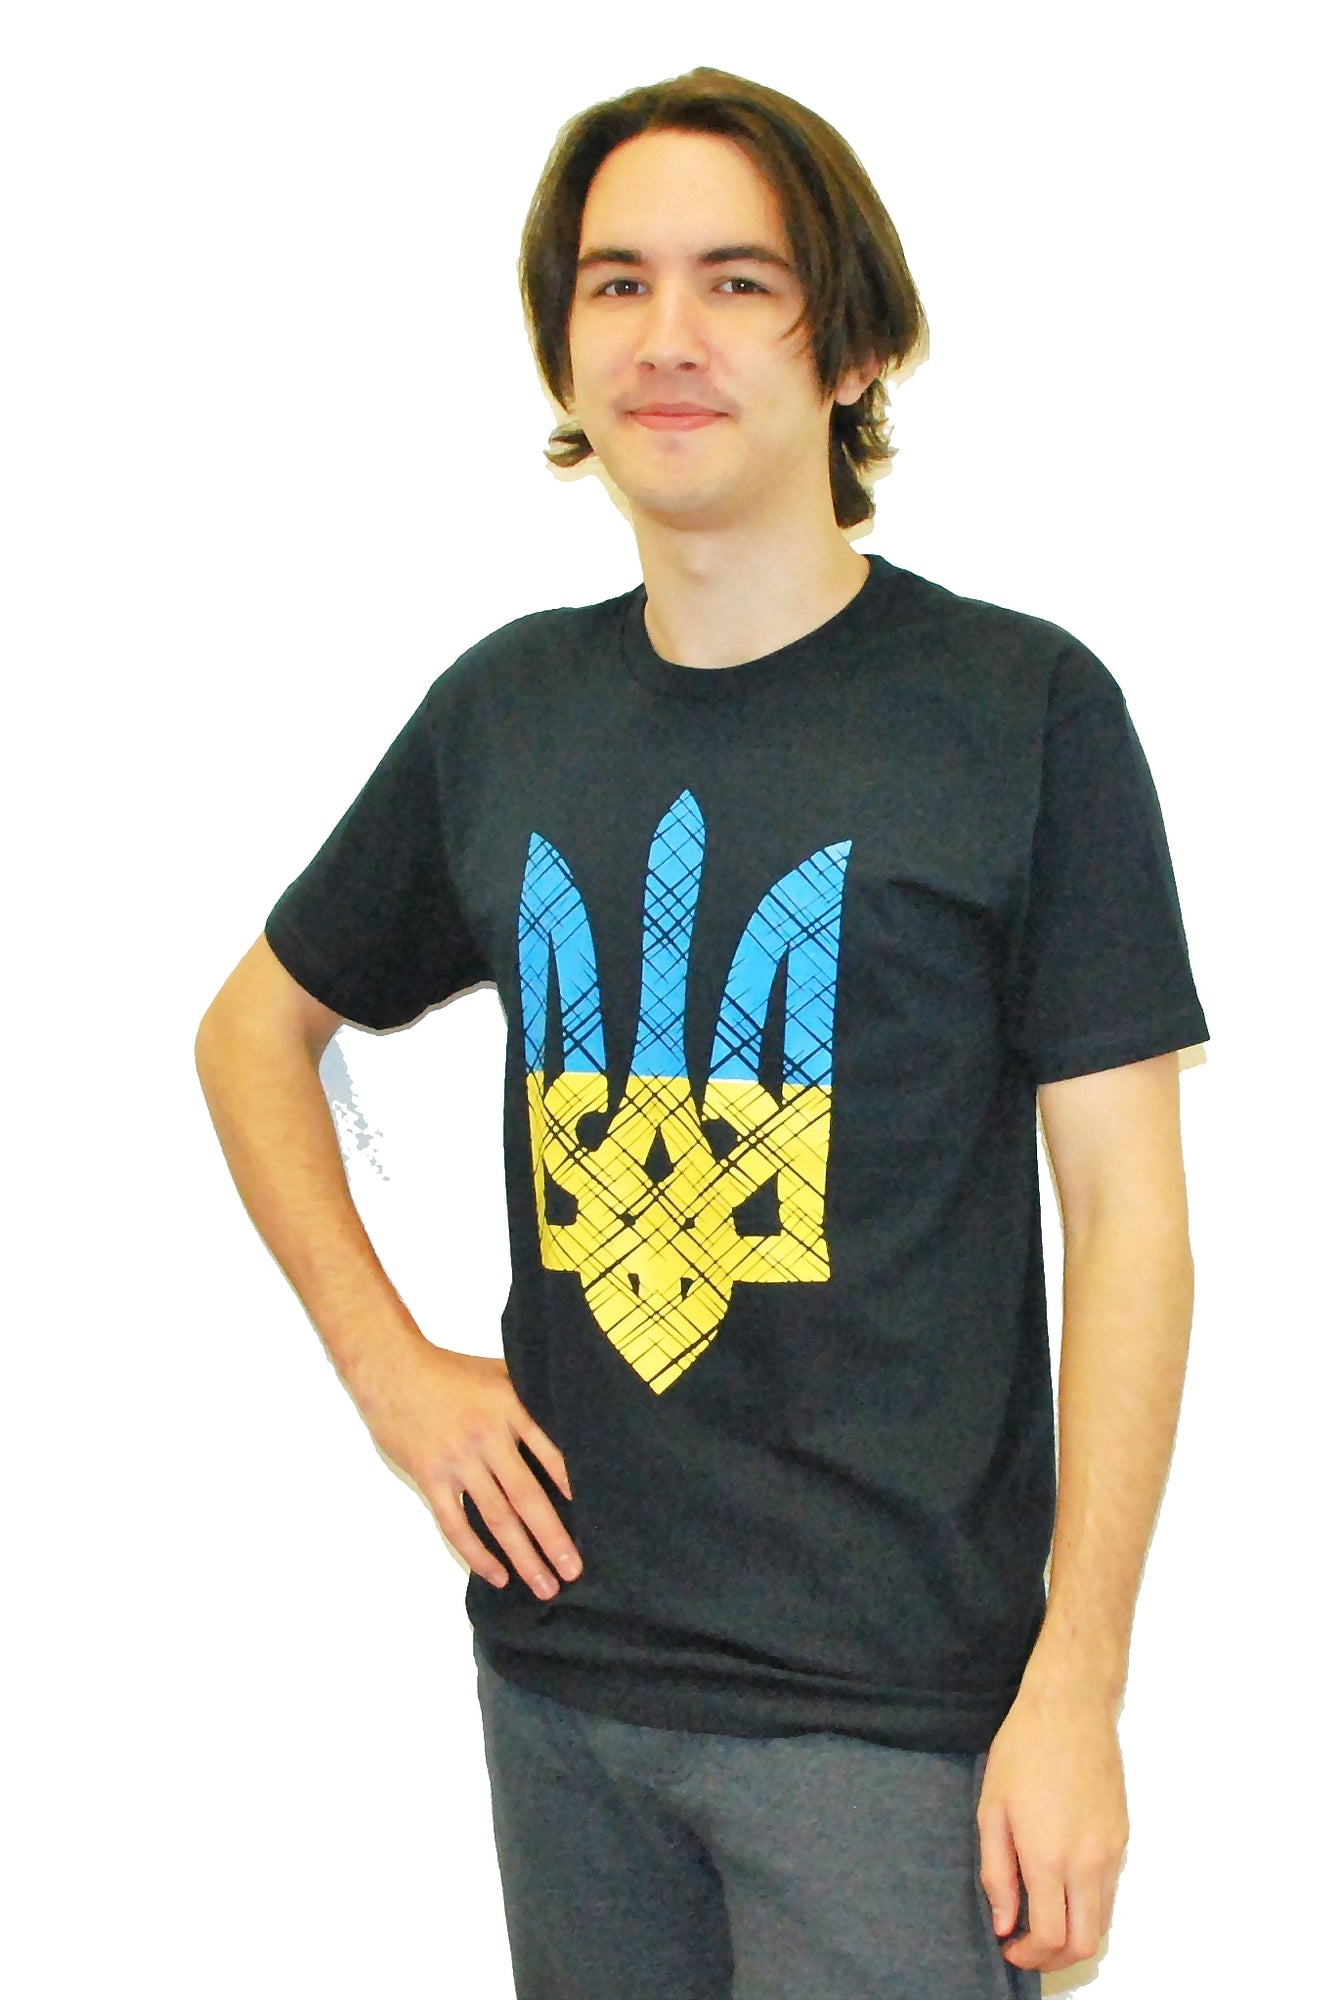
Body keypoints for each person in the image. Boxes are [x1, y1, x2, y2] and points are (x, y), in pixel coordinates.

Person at [195, 65, 1209, 2000]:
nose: (668, 336)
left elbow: (1130, 1221)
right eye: (617, 283)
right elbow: (251, 1036)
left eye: (741, 282)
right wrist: (394, 1374)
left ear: (855, 345)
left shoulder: (1021, 709)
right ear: (566, 347)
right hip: (562, 1682)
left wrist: (1079, 1682)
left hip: (895, 1721)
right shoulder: (504, 712)